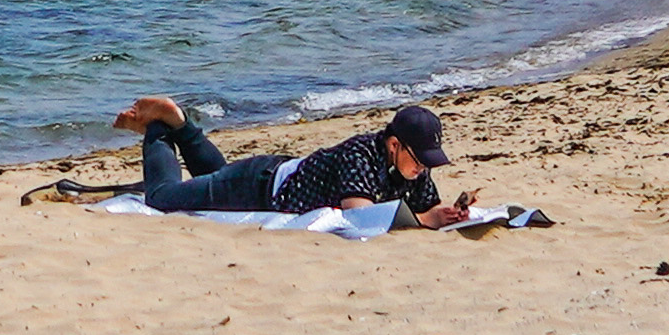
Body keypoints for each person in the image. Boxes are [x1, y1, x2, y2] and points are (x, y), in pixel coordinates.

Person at [112, 95, 473, 228]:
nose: (422, 169)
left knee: (215, 176)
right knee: (161, 197)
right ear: (394, 145)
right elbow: (360, 216)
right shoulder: (361, 155)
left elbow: (426, 204)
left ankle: (181, 125)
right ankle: (158, 127)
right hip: (257, 188)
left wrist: (446, 213)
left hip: (271, 175)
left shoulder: (411, 167)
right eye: (419, 160)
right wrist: (424, 221)